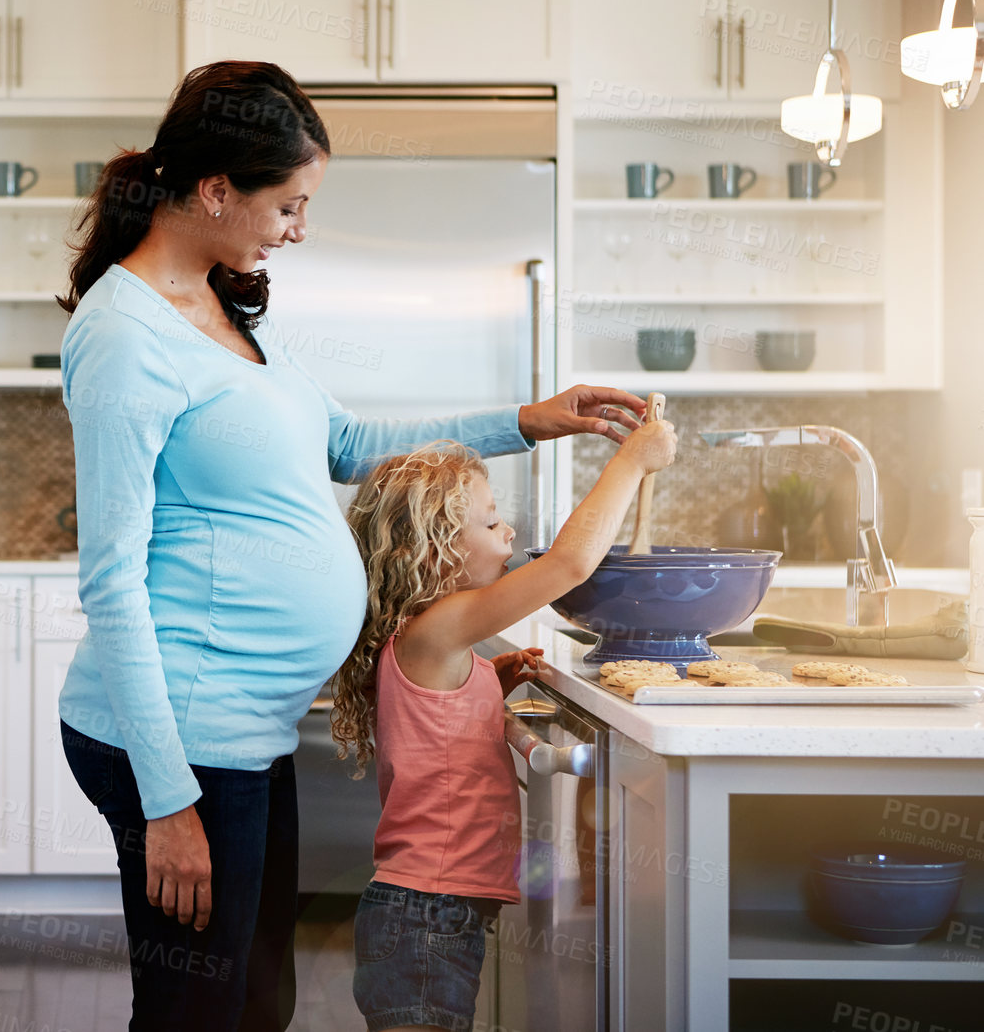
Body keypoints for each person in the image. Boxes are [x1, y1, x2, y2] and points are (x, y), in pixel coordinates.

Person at [54, 58, 650, 1032]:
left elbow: (353, 445)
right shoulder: (125, 337)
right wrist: (165, 803)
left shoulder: (225, 308)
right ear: (213, 190)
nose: (296, 229)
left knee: (254, 1000)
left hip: (240, 733)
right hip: (180, 738)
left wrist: (527, 421)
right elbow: (111, 586)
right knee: (196, 1011)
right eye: (285, 205)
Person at [330, 423, 676, 1032]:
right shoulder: (442, 625)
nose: (508, 532)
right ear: (434, 550)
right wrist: (630, 461)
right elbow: (570, 563)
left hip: (429, 915)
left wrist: (490, 681)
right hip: (427, 919)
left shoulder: (429, 638)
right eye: (491, 523)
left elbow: (434, 725)